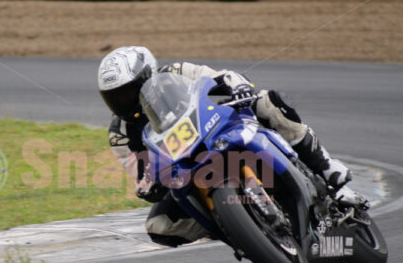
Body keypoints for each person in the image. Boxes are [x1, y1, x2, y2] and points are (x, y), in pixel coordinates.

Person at [98, 46, 364, 247]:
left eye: (128, 92)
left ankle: (327, 169)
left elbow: (219, 77)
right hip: (186, 168)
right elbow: (140, 170)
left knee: (267, 101)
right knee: (158, 225)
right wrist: (147, 185)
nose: (123, 102)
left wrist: (236, 86)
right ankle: (239, 229)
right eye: (114, 98)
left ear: (147, 77)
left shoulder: (176, 72)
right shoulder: (119, 133)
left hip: (219, 128)